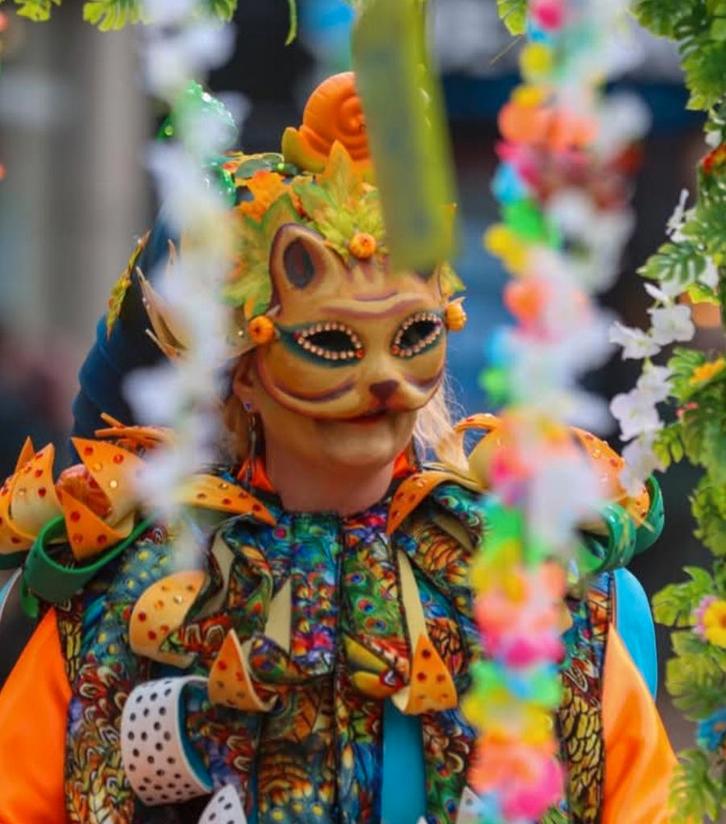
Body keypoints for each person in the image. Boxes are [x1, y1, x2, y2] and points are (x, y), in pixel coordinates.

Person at [0, 72, 676, 824]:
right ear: (243, 373)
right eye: (331, 342)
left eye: (413, 336)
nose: (382, 381)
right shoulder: (120, 597)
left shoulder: (542, 592)